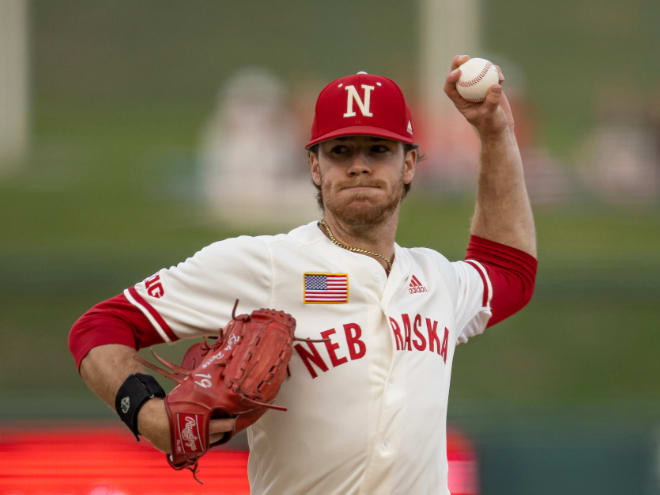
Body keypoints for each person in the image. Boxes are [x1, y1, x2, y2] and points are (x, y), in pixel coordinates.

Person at [69, 55, 537, 494]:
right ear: (314, 165)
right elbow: (99, 326)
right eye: (340, 150)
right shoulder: (265, 264)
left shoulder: (435, 280)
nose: (359, 165)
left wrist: (496, 132)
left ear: (409, 163)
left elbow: (509, 271)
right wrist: (146, 410)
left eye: (378, 149)